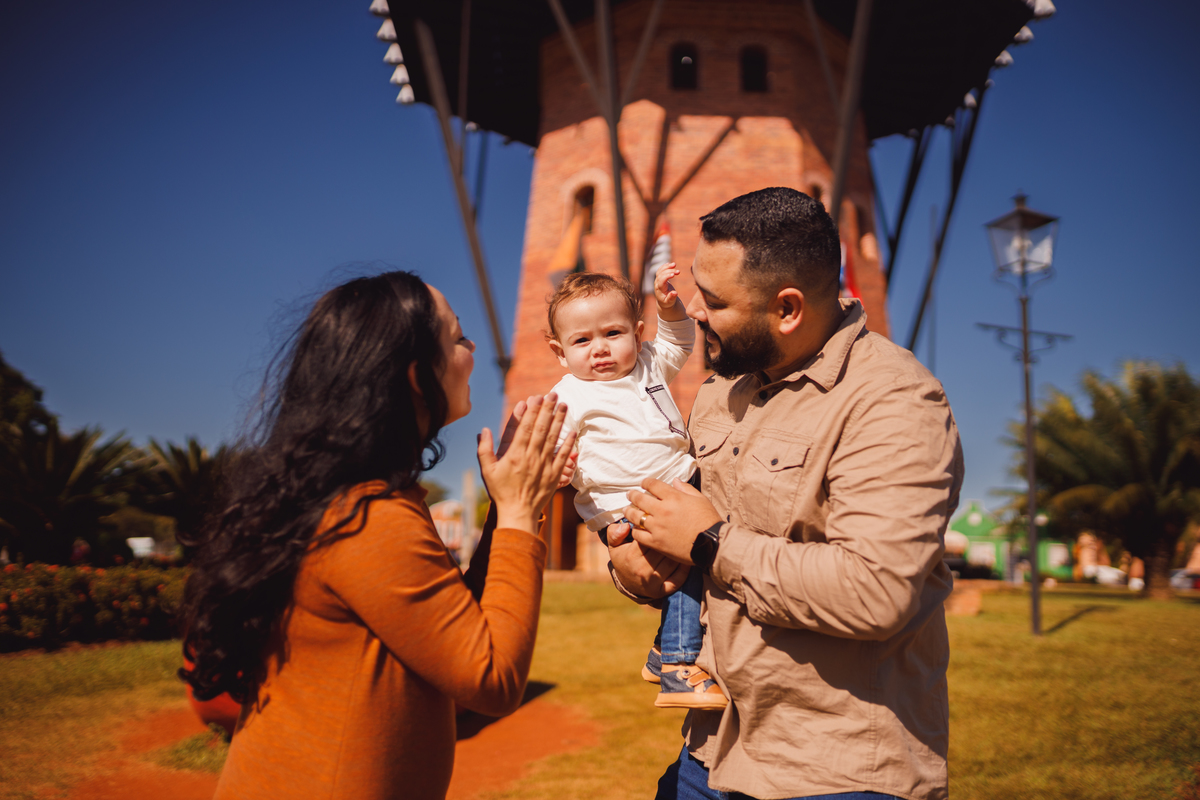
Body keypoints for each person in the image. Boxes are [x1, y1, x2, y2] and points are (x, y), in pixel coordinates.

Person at [607, 187, 964, 800]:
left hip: (833, 770)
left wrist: (709, 543)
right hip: (710, 752)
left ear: (788, 308)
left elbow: (876, 590)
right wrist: (635, 563)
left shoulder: (893, 401)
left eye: (714, 300)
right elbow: (684, 546)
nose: (692, 308)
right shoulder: (723, 390)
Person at [179, 271, 576, 800]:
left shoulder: (353, 500)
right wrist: (523, 511)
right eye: (457, 337)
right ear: (417, 377)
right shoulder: (367, 519)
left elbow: (457, 635)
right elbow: (492, 676)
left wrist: (509, 510)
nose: (473, 347)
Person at [545, 267, 725, 710]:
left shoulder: (649, 361)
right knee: (692, 561)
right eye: (582, 341)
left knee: (700, 563)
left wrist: (670, 308)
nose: (600, 348)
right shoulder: (570, 395)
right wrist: (558, 467)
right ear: (560, 352)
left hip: (677, 484)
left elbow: (681, 342)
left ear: (637, 332)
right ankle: (681, 666)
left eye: (613, 332)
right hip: (629, 502)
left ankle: (665, 649)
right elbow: (553, 447)